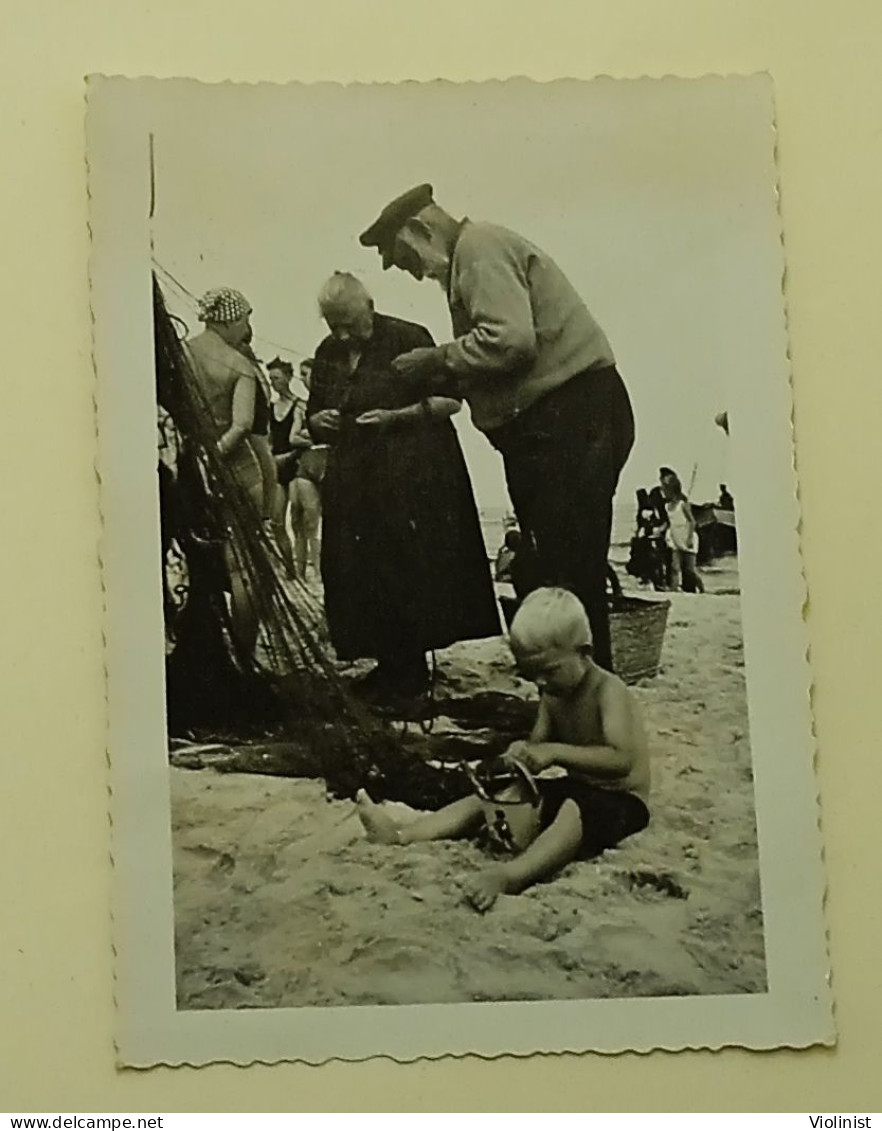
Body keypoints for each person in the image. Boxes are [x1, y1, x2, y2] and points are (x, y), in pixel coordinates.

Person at [358, 184, 635, 672]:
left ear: (421, 230)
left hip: (568, 418)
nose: (414, 272)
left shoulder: (479, 250)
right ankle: (578, 697)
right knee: (560, 568)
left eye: (405, 258)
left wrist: (437, 358)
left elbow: (510, 341)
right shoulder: (472, 257)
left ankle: (586, 704)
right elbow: (502, 356)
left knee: (568, 573)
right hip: (559, 423)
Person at [357, 587, 650, 911]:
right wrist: (520, 754)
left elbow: (621, 759)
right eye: (531, 673)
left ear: (585, 652)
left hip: (623, 801)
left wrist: (553, 752)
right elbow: (537, 744)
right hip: (578, 787)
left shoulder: (608, 690)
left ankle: (511, 876)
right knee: (494, 795)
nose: (539, 682)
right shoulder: (553, 694)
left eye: (549, 670)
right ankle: (403, 835)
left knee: (571, 811)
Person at [307, 272, 500, 701]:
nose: (341, 334)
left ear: (369, 307)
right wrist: (318, 421)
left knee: (403, 566)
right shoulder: (327, 351)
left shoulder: (408, 337)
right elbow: (314, 412)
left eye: (349, 324)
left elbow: (451, 403)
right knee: (356, 568)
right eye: (333, 324)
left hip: (410, 475)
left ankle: (409, 669)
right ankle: (387, 663)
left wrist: (397, 418)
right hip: (353, 478)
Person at [184, 288, 276, 654]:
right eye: (244, 319)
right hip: (237, 474)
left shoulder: (181, 355)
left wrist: (198, 460)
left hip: (190, 471)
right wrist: (215, 456)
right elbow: (241, 426)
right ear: (228, 320)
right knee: (244, 570)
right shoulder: (240, 366)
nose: (247, 327)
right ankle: (245, 653)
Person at [661, 471, 705, 594]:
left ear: (672, 489)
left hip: (687, 536)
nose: (663, 491)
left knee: (689, 569)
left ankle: (701, 588)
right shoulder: (667, 506)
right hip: (675, 536)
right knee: (675, 566)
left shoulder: (683, 504)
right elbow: (670, 522)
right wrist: (661, 530)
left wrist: (690, 537)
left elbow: (692, 522)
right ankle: (674, 589)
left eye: (665, 488)